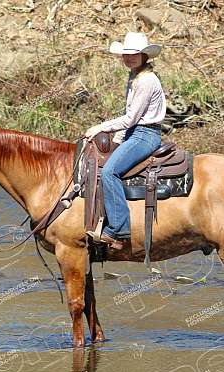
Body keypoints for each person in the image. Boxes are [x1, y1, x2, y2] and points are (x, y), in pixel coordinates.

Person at [84, 32, 166, 249]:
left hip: (145, 135)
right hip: (134, 133)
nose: (129, 58)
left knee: (110, 172)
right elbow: (129, 116)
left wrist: (100, 128)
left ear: (144, 56)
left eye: (134, 54)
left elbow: (131, 118)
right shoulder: (135, 77)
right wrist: (118, 141)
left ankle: (118, 230)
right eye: (126, 54)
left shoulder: (146, 81)